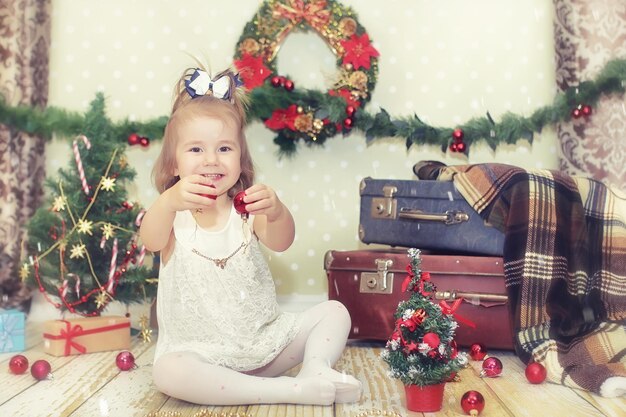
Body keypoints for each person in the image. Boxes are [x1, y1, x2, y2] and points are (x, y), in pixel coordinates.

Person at [140, 66, 362, 406]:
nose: (211, 160)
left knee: (335, 312)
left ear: (241, 161)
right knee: (168, 371)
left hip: (265, 350)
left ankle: (316, 369)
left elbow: (281, 240)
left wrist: (276, 211)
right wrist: (168, 200)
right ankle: (290, 392)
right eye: (196, 150)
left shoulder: (245, 211)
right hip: (202, 358)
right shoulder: (173, 216)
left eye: (224, 149)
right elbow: (150, 240)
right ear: (173, 165)